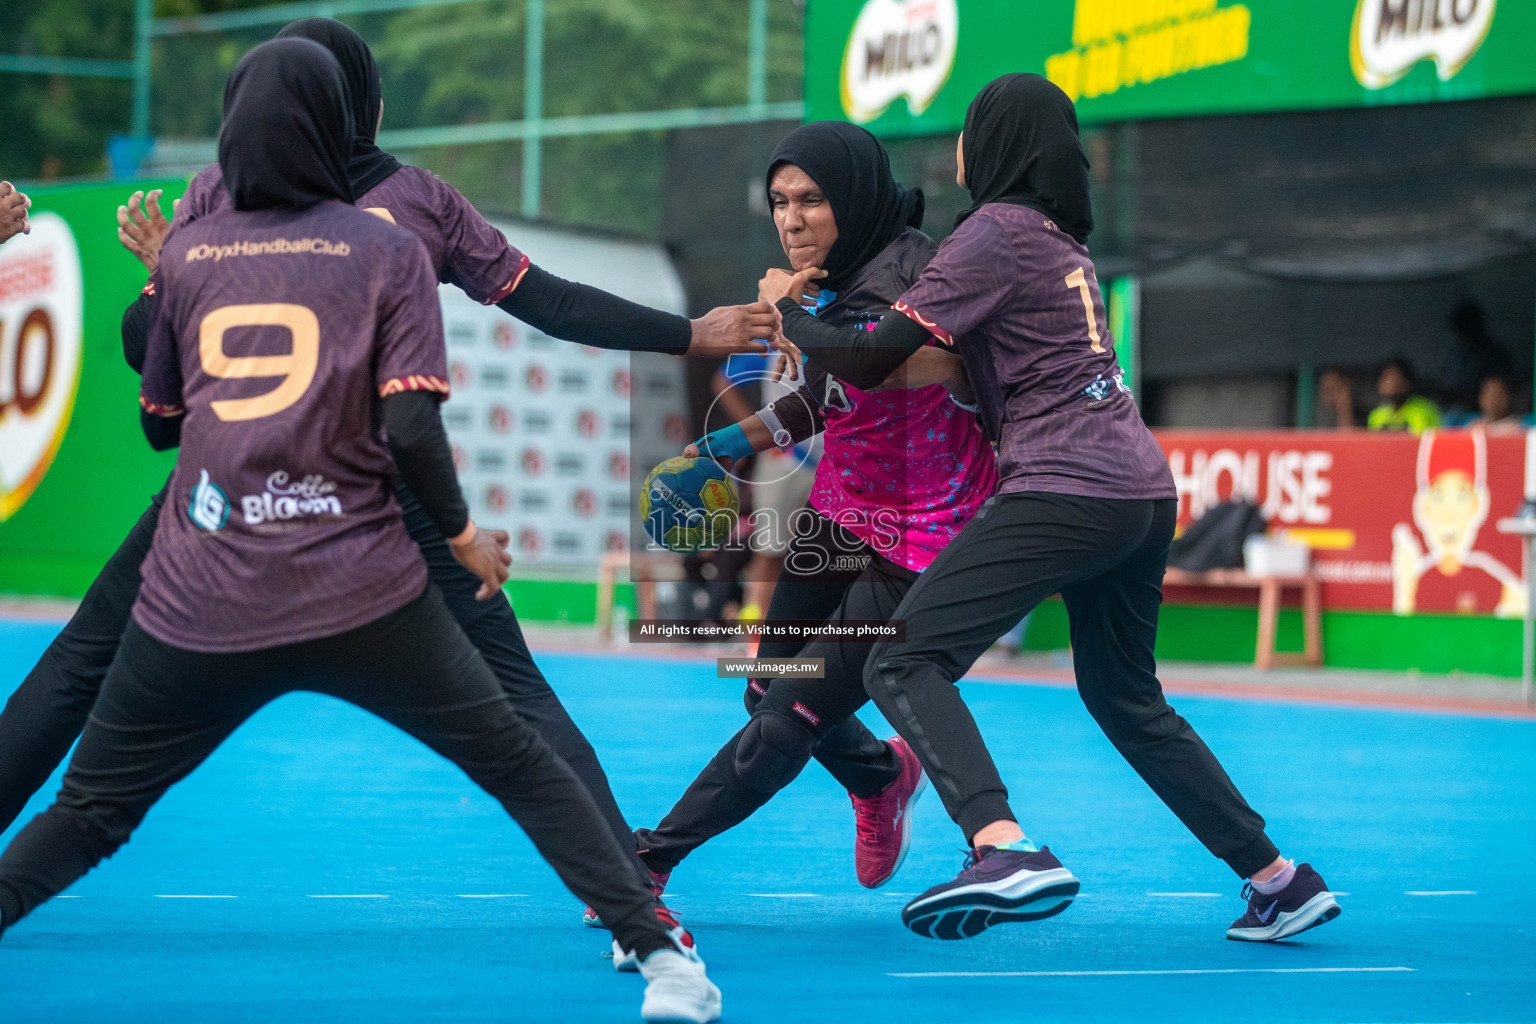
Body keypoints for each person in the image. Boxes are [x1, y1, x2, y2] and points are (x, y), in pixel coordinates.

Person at [0, 17, 776, 967]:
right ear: (362, 106)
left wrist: (166, 272)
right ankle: (631, 898)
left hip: (220, 499)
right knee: (511, 702)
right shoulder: (417, 205)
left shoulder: (218, 194)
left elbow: (145, 356)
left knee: (83, 664)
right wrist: (686, 334)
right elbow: (551, 303)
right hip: (380, 491)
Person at [762, 74, 1339, 944]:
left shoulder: (990, 235)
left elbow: (875, 357)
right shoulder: (1060, 242)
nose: (956, 147)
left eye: (967, 130)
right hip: (1141, 491)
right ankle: (1280, 880)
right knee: (1125, 700)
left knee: (900, 662)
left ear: (993, 145)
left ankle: (1003, 848)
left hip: (1064, 487)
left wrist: (788, 311)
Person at [632, 121, 995, 895]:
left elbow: (872, 366)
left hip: (914, 541)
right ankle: (878, 778)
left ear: (854, 198)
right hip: (839, 516)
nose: (792, 220)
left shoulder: (918, 279)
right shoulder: (831, 275)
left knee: (786, 719)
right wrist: (725, 443)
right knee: (765, 686)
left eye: (812, 200)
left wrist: (790, 316)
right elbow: (829, 395)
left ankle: (648, 861)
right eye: (779, 202)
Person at [1368, 356, 1440, 434]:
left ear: (1407, 382)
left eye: (1395, 377)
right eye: (1385, 378)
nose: (1390, 383)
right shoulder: (1376, 416)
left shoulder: (1422, 411)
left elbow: (1419, 443)